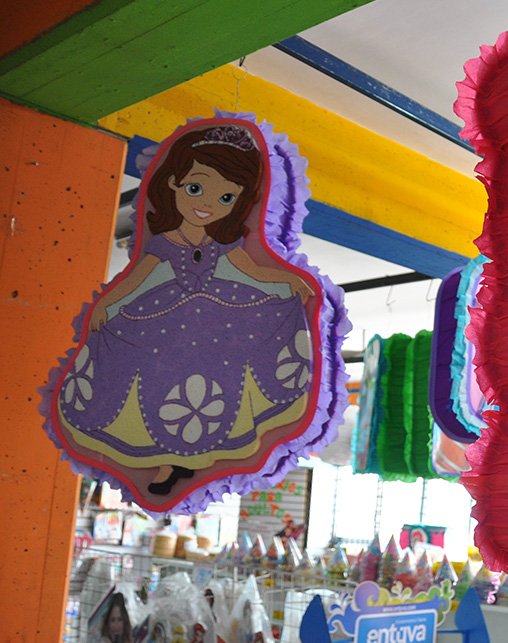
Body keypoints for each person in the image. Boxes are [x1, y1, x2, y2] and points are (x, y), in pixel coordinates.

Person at [56, 121, 315, 497]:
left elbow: (251, 269)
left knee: (220, 367)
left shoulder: (224, 243)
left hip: (219, 313)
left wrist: (284, 283)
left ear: (239, 201)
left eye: (226, 198)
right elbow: (134, 279)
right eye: (196, 188)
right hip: (165, 317)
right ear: (174, 184)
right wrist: (107, 304)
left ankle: (202, 450)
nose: (207, 204)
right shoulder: (162, 243)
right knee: (157, 371)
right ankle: (165, 456)